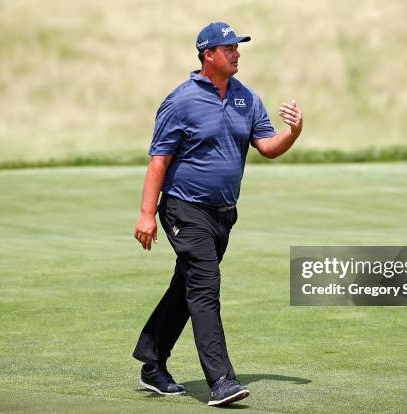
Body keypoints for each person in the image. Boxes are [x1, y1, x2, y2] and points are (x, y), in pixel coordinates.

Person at [132, 22, 303, 407]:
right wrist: (146, 214)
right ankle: (221, 380)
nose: (237, 52)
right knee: (206, 288)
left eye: (238, 47)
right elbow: (159, 161)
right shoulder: (181, 101)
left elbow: (267, 146)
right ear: (208, 55)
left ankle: (152, 362)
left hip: (223, 215)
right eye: (229, 48)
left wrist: (293, 133)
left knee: (187, 288)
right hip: (183, 208)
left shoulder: (246, 98)